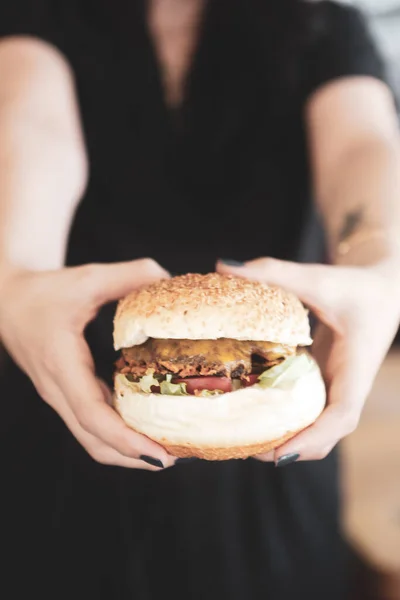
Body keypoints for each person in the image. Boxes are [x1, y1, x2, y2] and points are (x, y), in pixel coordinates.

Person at [0, 0, 400, 598]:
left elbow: (361, 147)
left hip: (275, 464)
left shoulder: (321, 22)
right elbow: (31, 131)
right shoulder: (36, 15)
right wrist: (15, 271)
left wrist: (382, 263)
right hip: (65, 397)